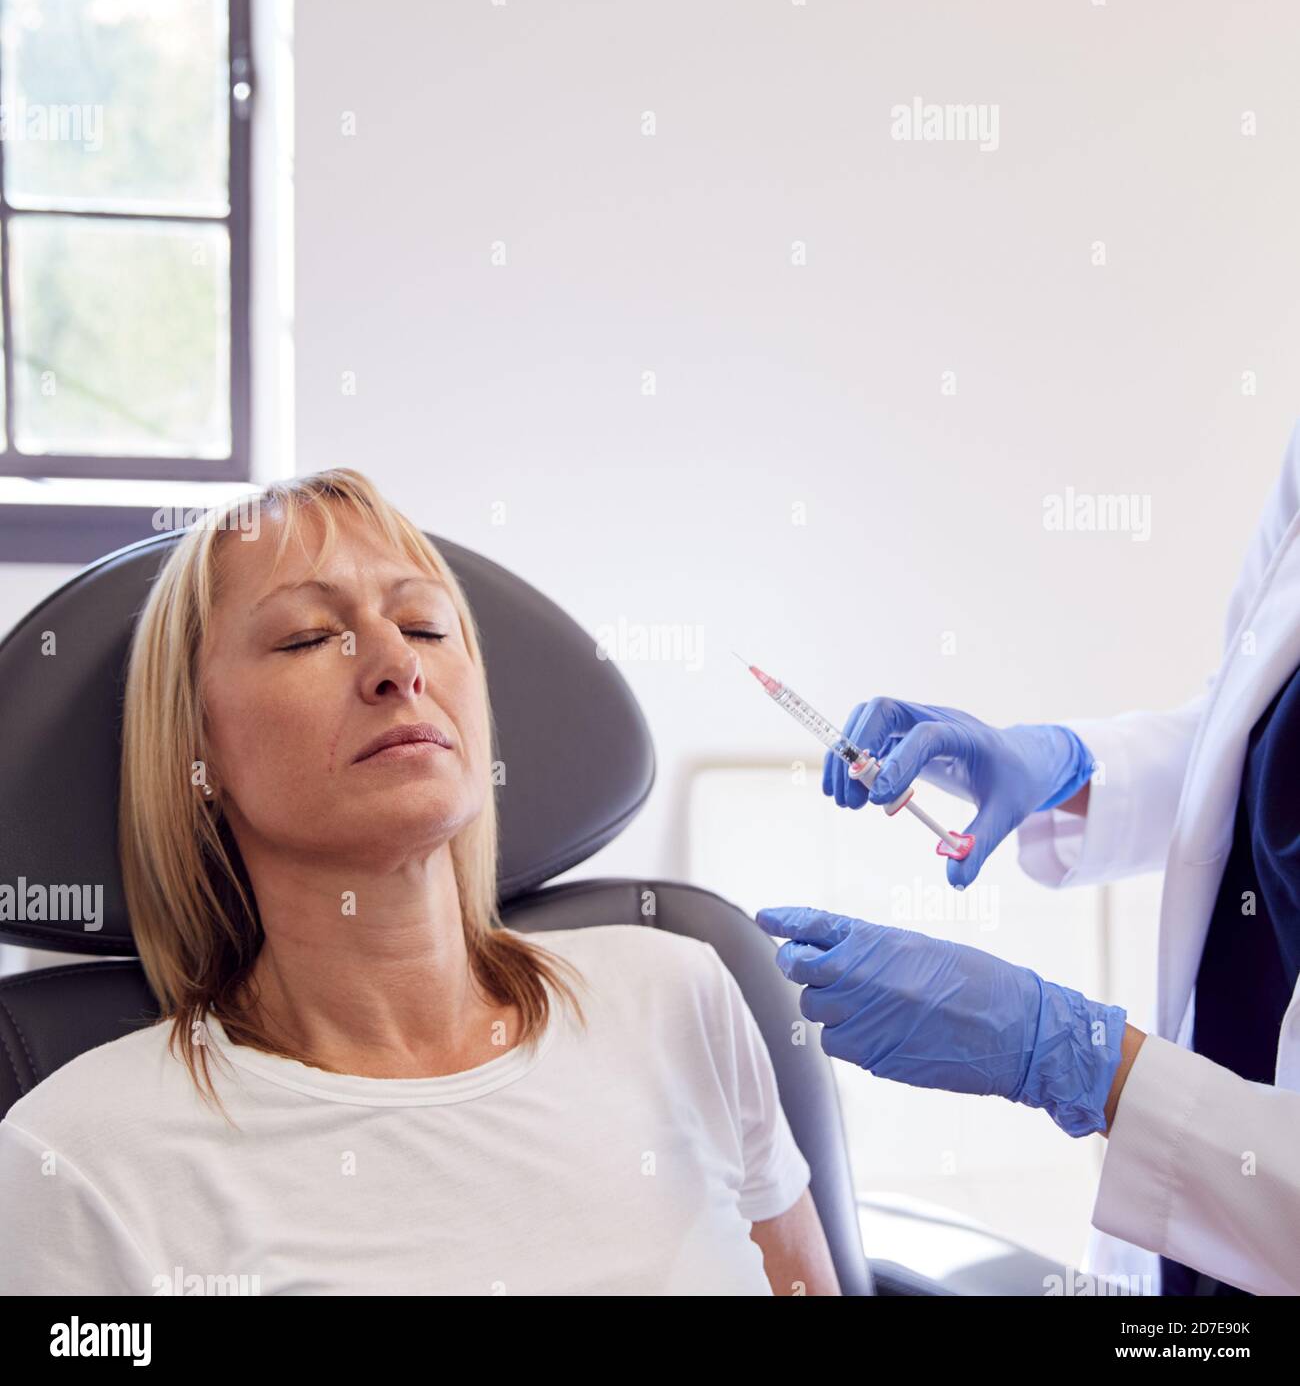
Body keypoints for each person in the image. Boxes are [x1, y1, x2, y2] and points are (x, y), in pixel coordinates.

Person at [0, 470, 838, 1296]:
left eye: (427, 626)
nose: (398, 665)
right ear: (199, 750)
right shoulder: (80, 1158)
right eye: (305, 638)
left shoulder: (679, 993)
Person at [759, 422, 1300, 1297]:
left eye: (445, 635)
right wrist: (1062, 766)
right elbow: (1245, 725)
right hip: (1205, 1226)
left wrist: (1069, 1053)